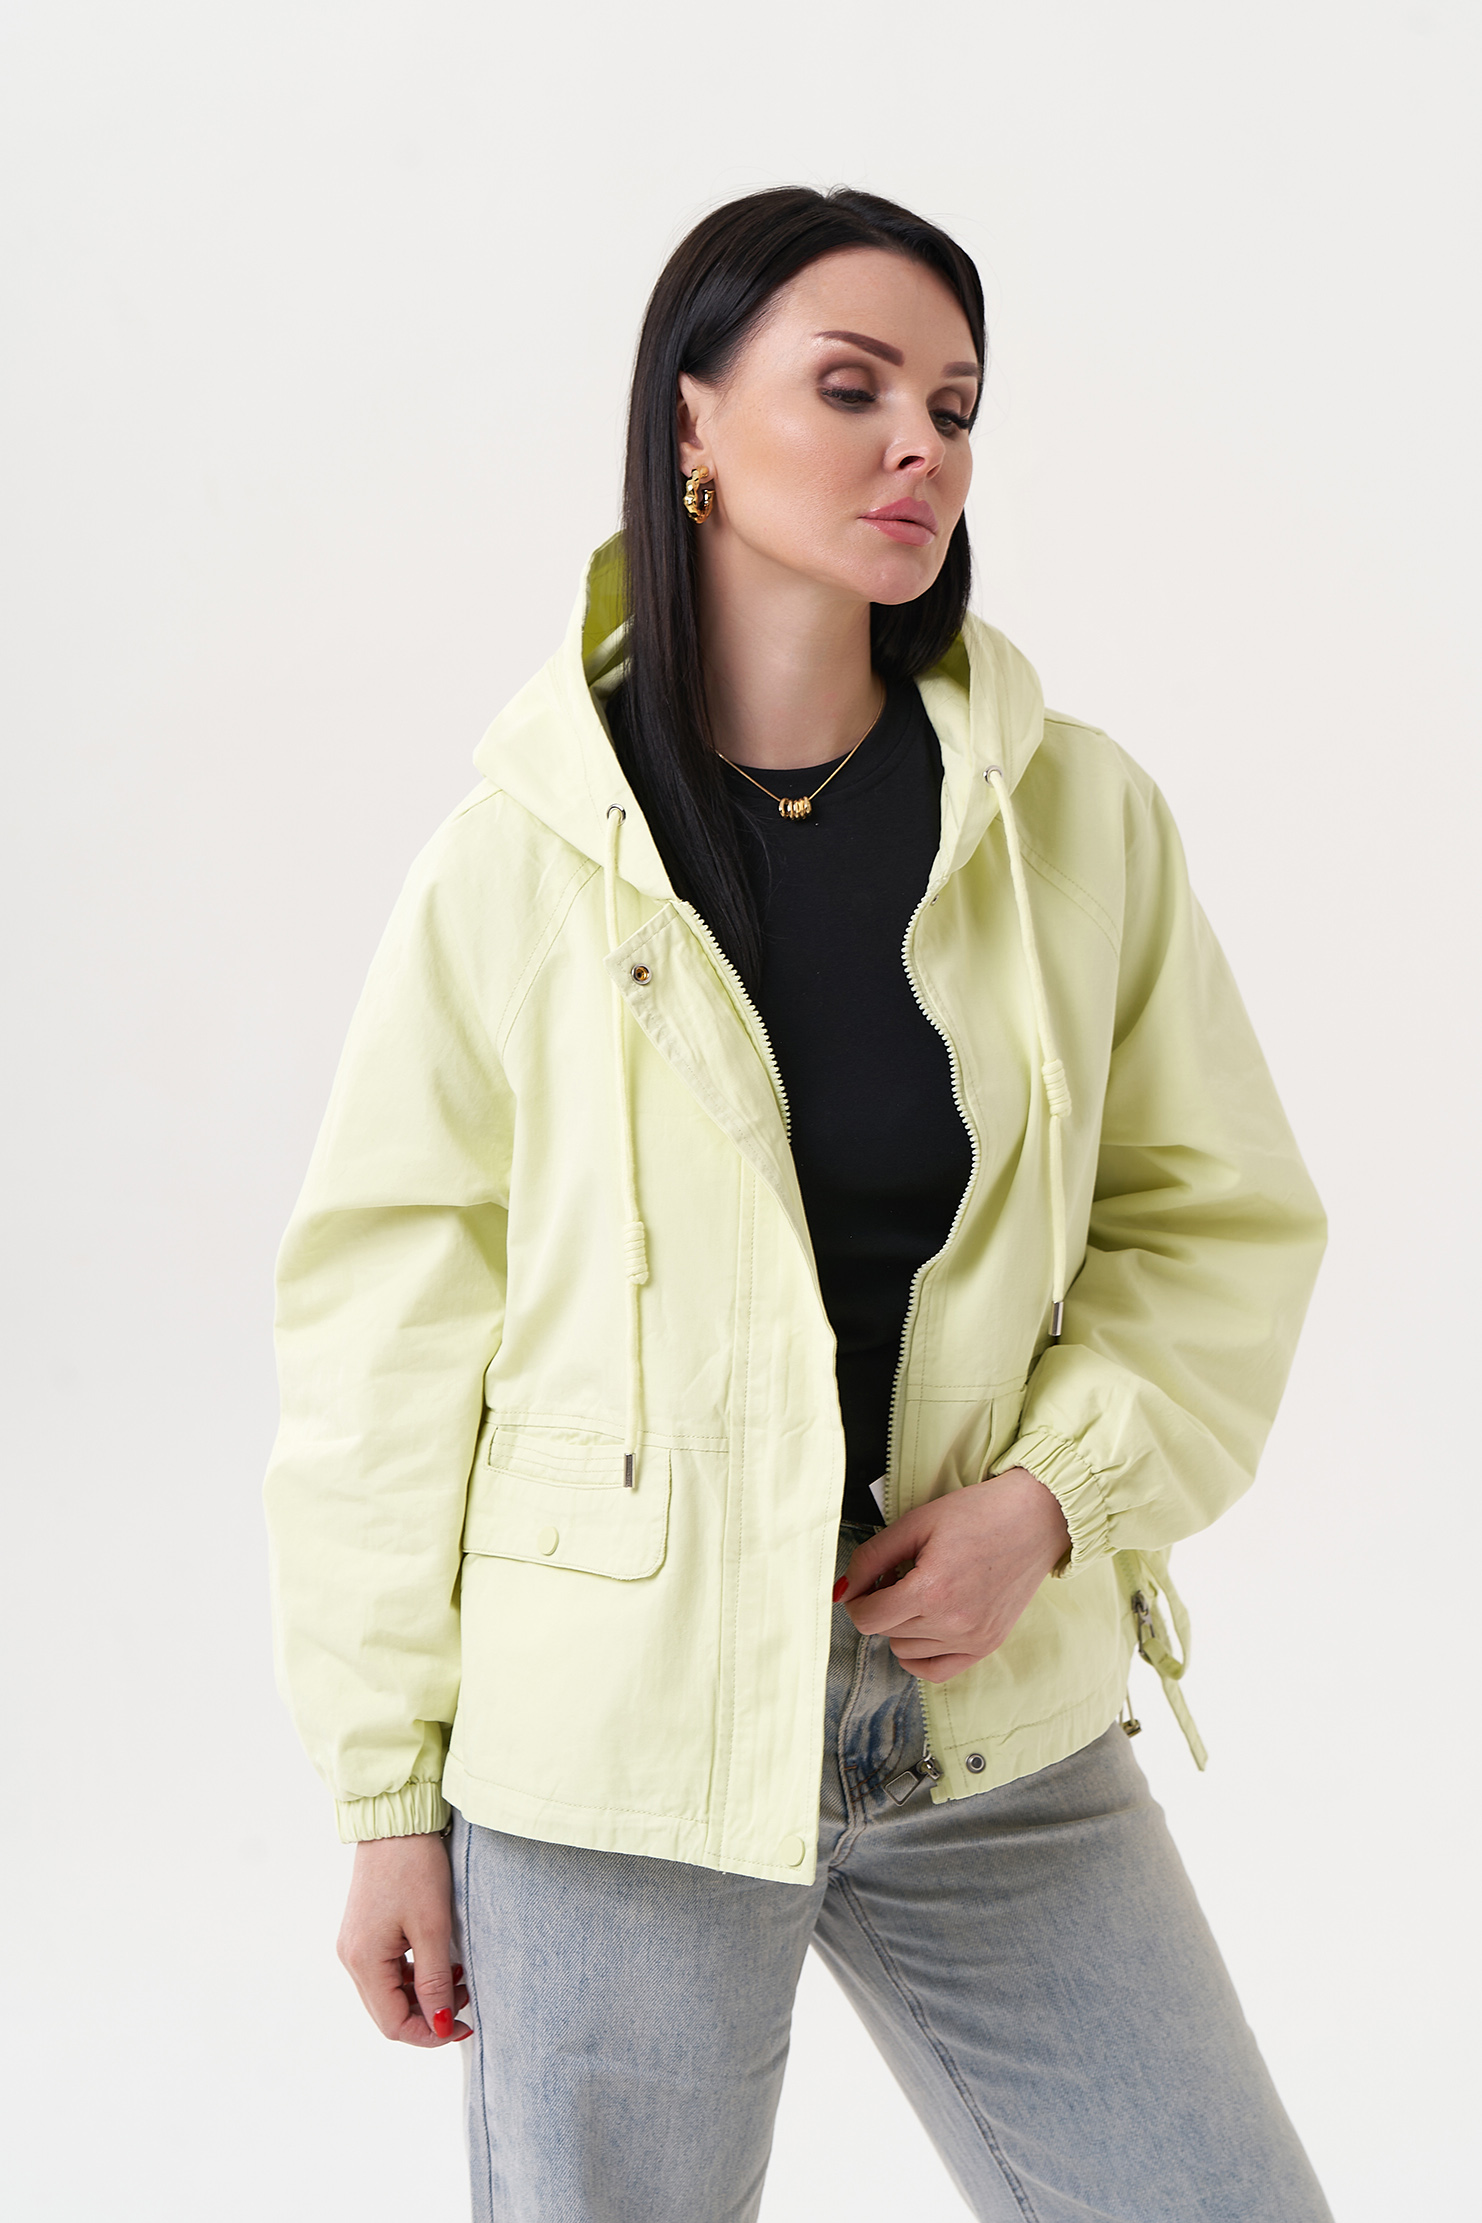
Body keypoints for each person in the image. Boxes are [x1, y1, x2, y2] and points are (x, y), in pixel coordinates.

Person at [264, 186, 1332, 2221]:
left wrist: (1051, 1502)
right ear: (692, 421)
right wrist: (389, 1793)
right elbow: (382, 1343)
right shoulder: (520, 860)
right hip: (617, 1754)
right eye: (852, 389)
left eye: (954, 405)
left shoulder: (1072, 818)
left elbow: (1215, 1223)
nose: (919, 443)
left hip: (985, 1724)